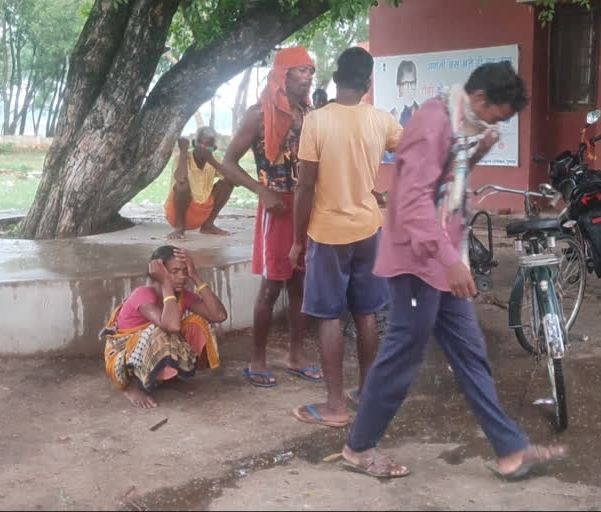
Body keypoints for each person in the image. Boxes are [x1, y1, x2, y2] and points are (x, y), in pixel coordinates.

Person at [340, 62, 568, 479]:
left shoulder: (457, 118)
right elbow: (411, 204)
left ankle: (510, 451)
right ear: (480, 100)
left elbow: (444, 181)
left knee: (471, 353)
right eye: (495, 116)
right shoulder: (433, 123)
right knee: (400, 359)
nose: (492, 124)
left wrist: (477, 152)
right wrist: (449, 261)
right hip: (417, 263)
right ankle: (358, 448)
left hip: (442, 258)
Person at [289, 47, 402, 428]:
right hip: (370, 230)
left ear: (336, 79)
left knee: (329, 317)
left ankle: (336, 406)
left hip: (328, 231)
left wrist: (297, 240)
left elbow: (305, 187)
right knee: (366, 313)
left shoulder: (317, 122)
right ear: (368, 82)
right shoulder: (382, 121)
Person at [220, 47, 323, 387]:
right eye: (300, 70)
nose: (308, 76)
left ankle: (296, 355)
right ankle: (257, 360)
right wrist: (262, 191)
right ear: (282, 75)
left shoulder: (309, 113)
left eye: (310, 70)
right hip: (276, 208)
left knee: (300, 285)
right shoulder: (257, 114)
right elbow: (228, 162)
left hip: (306, 206)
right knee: (270, 287)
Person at [102, 246, 228, 408]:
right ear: (158, 274)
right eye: (174, 271)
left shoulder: (182, 296)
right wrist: (165, 283)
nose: (182, 276)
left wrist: (195, 276)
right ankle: (130, 386)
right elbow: (171, 325)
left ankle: (168, 378)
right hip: (123, 358)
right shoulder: (142, 295)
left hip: (148, 349)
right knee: (161, 330)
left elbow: (218, 315)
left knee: (196, 324)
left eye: (184, 271)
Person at [166, 127, 235, 238]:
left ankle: (208, 225)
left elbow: (234, 180)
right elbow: (180, 178)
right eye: (200, 143)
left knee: (227, 182)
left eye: (208, 145)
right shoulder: (183, 158)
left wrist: (211, 160)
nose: (203, 148)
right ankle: (179, 229)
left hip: (202, 212)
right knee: (182, 185)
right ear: (193, 143)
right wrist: (183, 151)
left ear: (214, 148)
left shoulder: (214, 159)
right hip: (178, 214)